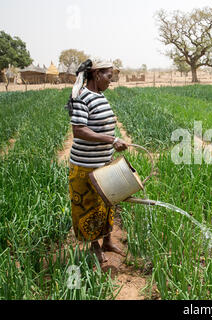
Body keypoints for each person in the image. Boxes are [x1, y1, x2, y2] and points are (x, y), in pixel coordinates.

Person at [66, 58, 128, 263]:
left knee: (108, 202)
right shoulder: (82, 96)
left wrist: (113, 140)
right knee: (90, 206)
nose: (111, 81)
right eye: (109, 77)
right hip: (86, 165)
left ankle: (108, 241)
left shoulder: (100, 95)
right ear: (96, 74)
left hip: (103, 162)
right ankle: (94, 247)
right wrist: (112, 140)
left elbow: (102, 124)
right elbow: (79, 130)